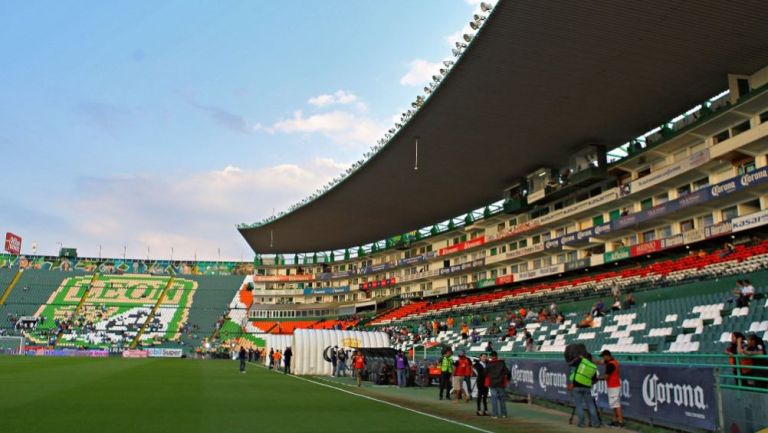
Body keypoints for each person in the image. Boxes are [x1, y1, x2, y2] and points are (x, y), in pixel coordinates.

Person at [568, 353, 601, 428]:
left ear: (585, 357)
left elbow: (571, 364)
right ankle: (595, 423)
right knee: (591, 405)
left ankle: (582, 423)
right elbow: (594, 380)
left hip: (577, 385)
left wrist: (578, 358)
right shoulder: (593, 367)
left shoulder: (581, 360)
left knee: (579, 405)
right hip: (587, 386)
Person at [599, 350, 624, 427]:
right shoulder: (612, 362)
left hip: (614, 386)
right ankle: (615, 420)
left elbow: (606, 377)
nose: (603, 358)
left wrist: (597, 379)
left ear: (607, 356)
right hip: (613, 385)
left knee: (616, 404)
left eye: (603, 356)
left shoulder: (611, 364)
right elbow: (599, 362)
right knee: (614, 404)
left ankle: (620, 421)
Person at [485, 351, 510, 419]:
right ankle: (504, 414)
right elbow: (507, 372)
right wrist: (507, 379)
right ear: (497, 355)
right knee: (502, 399)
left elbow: (485, 373)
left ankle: (495, 414)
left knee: (494, 399)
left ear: (491, 356)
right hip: (501, 383)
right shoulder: (502, 362)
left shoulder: (489, 364)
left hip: (492, 383)